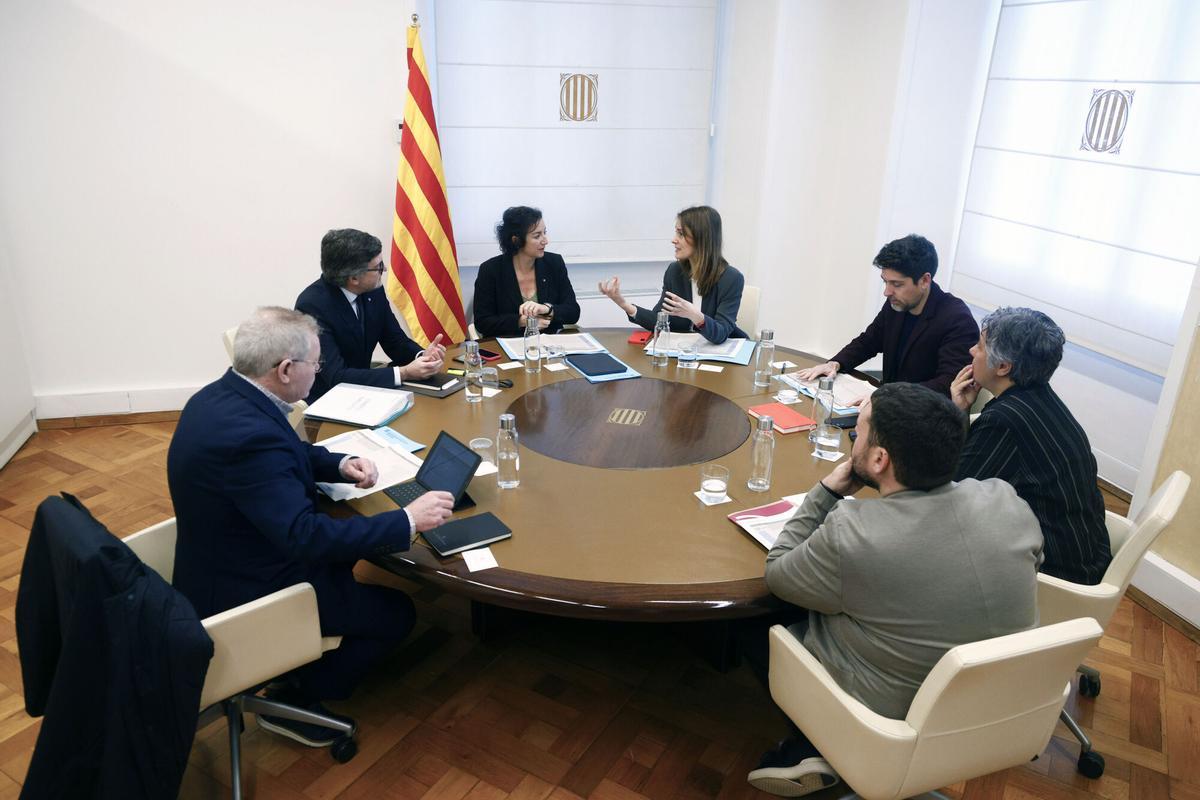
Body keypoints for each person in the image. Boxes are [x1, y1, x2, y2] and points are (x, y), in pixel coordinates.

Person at [168, 307, 454, 747]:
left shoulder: (222, 396)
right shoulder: (249, 438)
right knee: (398, 613)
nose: (318, 372)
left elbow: (284, 454)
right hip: (251, 589)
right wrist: (406, 520)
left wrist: (338, 464)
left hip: (215, 556)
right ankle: (301, 694)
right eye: (316, 365)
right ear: (285, 370)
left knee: (353, 557)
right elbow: (303, 536)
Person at [749, 383, 1043, 796]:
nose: (854, 440)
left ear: (879, 459)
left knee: (765, 621)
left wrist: (827, 492)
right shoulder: (1005, 500)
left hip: (890, 717)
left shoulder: (854, 532)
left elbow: (779, 574)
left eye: (859, 433)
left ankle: (814, 745)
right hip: (1001, 706)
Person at [952, 307, 1111, 585]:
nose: (971, 351)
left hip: (1054, 574)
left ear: (1003, 367)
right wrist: (962, 411)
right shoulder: (1042, 399)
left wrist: (956, 415)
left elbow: (950, 496)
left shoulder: (1006, 420)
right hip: (1086, 553)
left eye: (979, 346)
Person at [795, 234, 977, 396]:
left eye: (896, 284)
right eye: (885, 282)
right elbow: (868, 341)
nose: (887, 292)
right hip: (888, 408)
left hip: (924, 418)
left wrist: (887, 397)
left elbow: (948, 385)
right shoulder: (897, 304)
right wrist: (835, 364)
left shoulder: (957, 320)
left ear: (924, 280)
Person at [296, 228, 446, 403]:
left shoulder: (373, 290)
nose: (384, 270)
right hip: (328, 401)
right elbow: (336, 376)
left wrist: (422, 356)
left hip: (366, 393)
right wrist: (403, 373)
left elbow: (395, 341)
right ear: (353, 278)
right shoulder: (312, 306)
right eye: (378, 267)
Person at [598, 205, 747, 344]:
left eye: (681, 234)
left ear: (702, 239)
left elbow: (721, 334)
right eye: (676, 232)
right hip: (685, 353)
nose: (674, 240)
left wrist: (696, 316)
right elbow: (659, 320)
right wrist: (624, 304)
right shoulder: (675, 271)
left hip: (722, 357)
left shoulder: (731, 278)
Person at [473, 206, 580, 338]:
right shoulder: (491, 270)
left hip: (550, 347)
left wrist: (547, 309)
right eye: (537, 236)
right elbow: (483, 322)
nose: (545, 241)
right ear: (516, 240)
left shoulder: (554, 263)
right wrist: (522, 321)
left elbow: (573, 312)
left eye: (544, 233)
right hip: (507, 347)